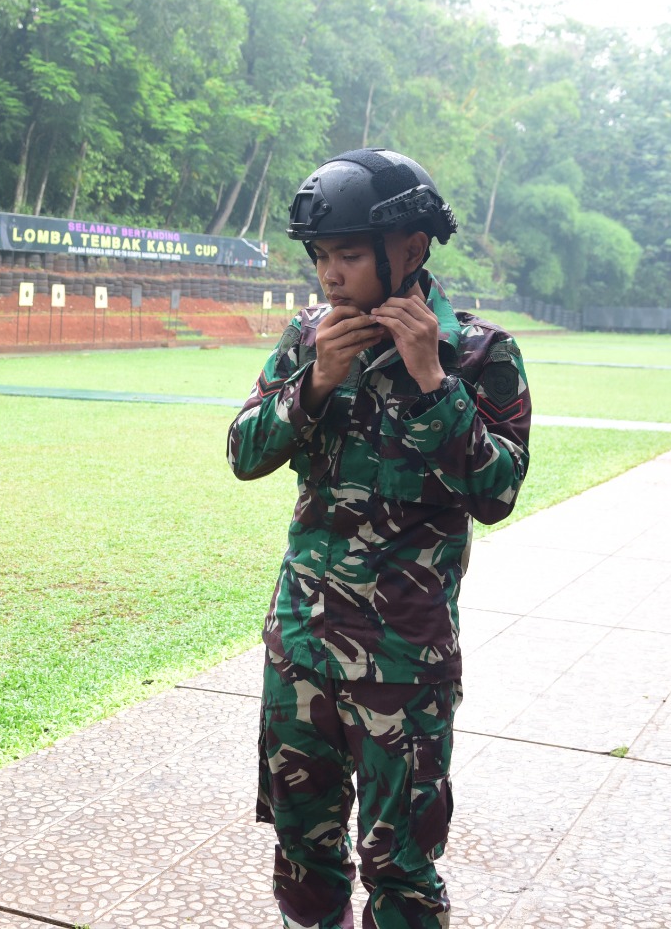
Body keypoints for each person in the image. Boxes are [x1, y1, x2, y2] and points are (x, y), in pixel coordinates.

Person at [228, 148, 532, 929]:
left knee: (401, 866)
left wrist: (433, 382)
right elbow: (243, 453)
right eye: (321, 256)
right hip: (301, 645)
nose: (330, 275)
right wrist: (314, 383)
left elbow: (497, 493)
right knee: (303, 851)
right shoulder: (310, 339)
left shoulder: (480, 354)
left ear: (412, 248)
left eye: (350, 255)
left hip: (406, 659)